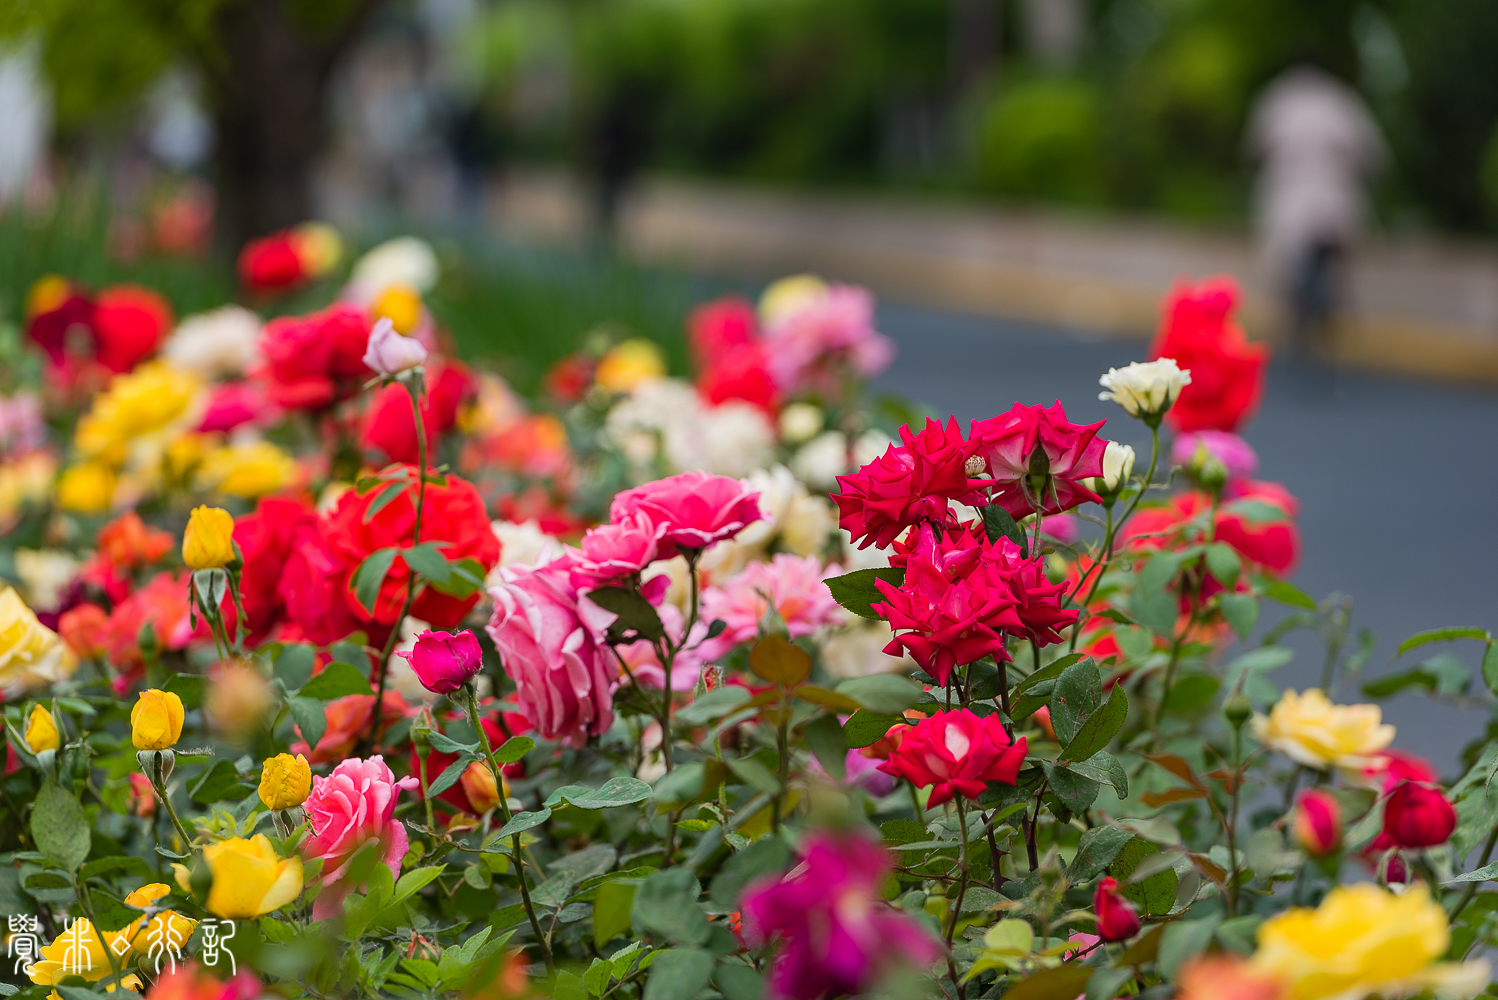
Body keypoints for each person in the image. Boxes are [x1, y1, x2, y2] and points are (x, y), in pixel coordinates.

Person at [1246, 63, 1386, 363]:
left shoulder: (1278, 98)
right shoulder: (1341, 100)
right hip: (1334, 198)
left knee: (1282, 265)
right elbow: (1372, 153)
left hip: (1290, 199)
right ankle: (1343, 325)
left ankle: (1288, 326)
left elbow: (1256, 148)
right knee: (1341, 265)